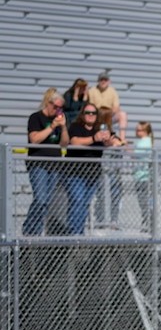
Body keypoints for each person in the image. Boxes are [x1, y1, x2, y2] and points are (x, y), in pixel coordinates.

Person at [65, 103, 120, 235]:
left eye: (93, 113)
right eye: (87, 113)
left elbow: (114, 142)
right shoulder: (75, 126)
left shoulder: (100, 128)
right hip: (75, 172)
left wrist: (108, 140)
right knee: (77, 201)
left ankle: (79, 231)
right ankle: (73, 233)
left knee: (84, 204)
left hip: (93, 173)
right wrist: (94, 138)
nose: (90, 115)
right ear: (82, 114)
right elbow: (74, 142)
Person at [22, 88, 70, 235]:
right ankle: (29, 229)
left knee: (47, 202)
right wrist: (53, 126)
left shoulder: (59, 120)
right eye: (55, 106)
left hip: (54, 165)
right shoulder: (36, 117)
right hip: (38, 164)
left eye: (60, 107)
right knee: (41, 198)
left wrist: (63, 127)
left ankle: (35, 231)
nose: (57, 110)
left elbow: (64, 143)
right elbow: (35, 139)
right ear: (48, 104)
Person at [88, 72, 127, 141]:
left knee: (122, 114)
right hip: (97, 115)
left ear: (109, 81)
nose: (103, 81)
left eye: (105, 80)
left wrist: (108, 113)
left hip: (109, 115)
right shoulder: (92, 91)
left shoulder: (113, 91)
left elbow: (116, 107)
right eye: (101, 79)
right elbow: (90, 106)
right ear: (98, 81)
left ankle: (122, 139)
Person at [133, 121, 155, 231]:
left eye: (139, 130)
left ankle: (148, 224)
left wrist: (124, 146)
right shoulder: (144, 141)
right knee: (143, 202)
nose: (136, 132)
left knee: (144, 202)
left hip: (143, 177)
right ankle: (147, 222)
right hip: (141, 176)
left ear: (145, 131)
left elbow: (134, 154)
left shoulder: (144, 142)